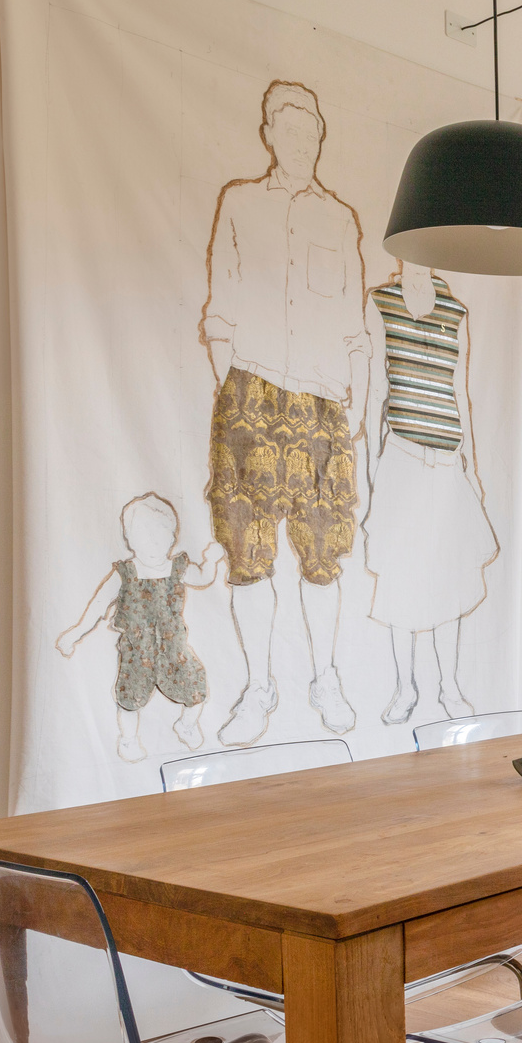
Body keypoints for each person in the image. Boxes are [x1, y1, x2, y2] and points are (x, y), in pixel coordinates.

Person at [200, 80, 370, 745]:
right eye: (288, 131)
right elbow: (221, 306)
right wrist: (235, 389)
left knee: (323, 553)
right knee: (249, 554)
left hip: (324, 403)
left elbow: (354, 322)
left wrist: (351, 403)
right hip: (252, 391)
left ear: (319, 141)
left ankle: (324, 677)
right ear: (269, 134)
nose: (301, 144)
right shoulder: (241, 204)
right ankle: (258, 686)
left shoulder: (340, 218)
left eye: (312, 134)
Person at [360, 262, 500, 723]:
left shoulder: (455, 311)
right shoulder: (381, 303)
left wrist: (472, 466)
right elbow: (376, 387)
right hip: (401, 458)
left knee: (450, 576)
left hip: (447, 463)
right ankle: (405, 688)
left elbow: (460, 392)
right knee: (401, 577)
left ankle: (450, 686)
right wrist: (370, 467)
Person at [56, 494, 224, 762]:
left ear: (172, 537)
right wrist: (75, 634)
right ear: (129, 539)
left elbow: (203, 578)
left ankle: (187, 725)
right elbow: (99, 606)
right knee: (129, 700)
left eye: (161, 536)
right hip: (137, 654)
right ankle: (128, 739)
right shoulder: (125, 574)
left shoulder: (177, 568)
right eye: (144, 536)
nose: (153, 543)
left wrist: (212, 561)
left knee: (196, 688)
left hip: (174, 650)